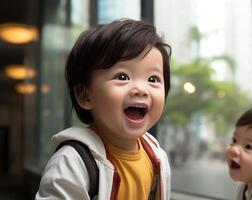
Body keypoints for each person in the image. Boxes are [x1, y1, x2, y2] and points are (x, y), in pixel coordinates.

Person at [35, 19, 171, 200]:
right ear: (85, 96)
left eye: (153, 79)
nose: (141, 89)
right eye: (122, 76)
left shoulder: (156, 157)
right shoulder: (72, 162)